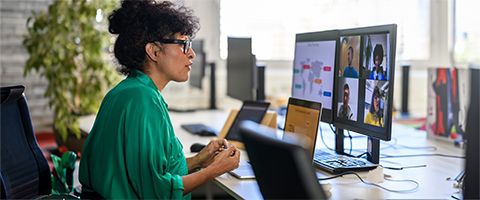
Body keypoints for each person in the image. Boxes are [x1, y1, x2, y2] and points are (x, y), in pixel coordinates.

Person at [78, 1, 240, 199]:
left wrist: (198, 160)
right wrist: (214, 170)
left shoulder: (130, 91)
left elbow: (148, 172)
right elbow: (157, 191)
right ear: (154, 51)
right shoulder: (142, 100)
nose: (192, 53)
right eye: (183, 44)